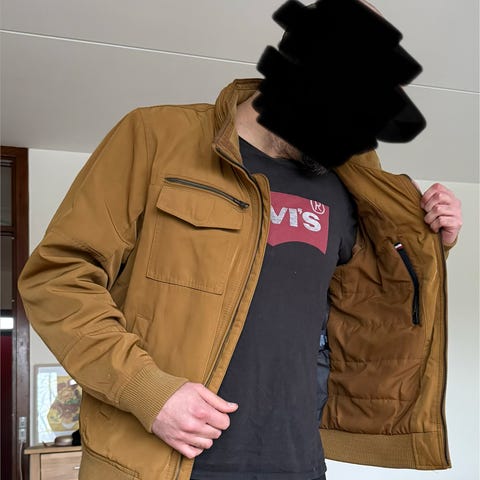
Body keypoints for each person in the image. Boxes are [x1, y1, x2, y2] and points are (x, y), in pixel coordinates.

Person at [19, 3, 463, 480]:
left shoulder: (347, 185)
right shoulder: (155, 137)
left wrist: (429, 237)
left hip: (298, 464)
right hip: (160, 464)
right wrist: (146, 390)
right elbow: (58, 279)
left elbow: (370, 298)